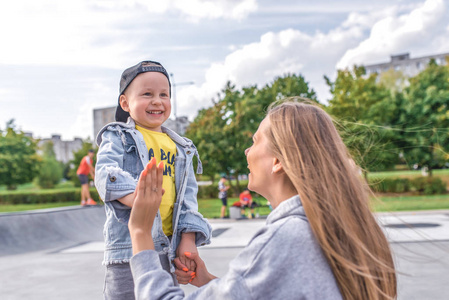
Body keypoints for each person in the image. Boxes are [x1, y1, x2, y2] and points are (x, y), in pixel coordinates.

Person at [127, 99, 397, 299]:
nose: (247, 151)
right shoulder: (331, 226)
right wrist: (209, 281)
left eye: (255, 142)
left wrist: (140, 233)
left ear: (278, 161)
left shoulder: (287, 237)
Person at [94, 60, 212, 300]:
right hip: (127, 251)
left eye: (164, 95)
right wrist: (137, 199)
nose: (157, 101)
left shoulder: (182, 148)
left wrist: (188, 240)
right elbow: (105, 173)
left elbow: (188, 201)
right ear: (125, 103)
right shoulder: (118, 136)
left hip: (166, 251)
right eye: (147, 94)